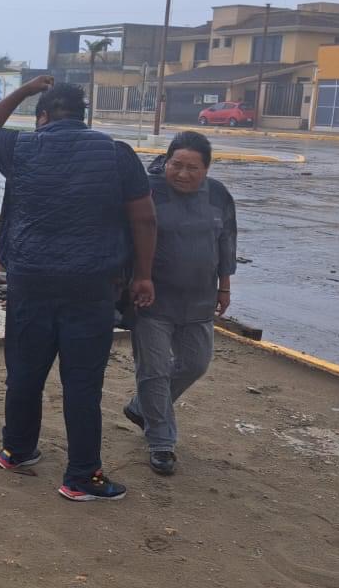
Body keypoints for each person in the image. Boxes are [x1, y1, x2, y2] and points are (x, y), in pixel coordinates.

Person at [0, 78, 157, 501]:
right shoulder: (115, 153)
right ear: (83, 118)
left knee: (23, 373)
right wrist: (143, 275)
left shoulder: (21, 149)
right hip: (89, 286)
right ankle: (81, 476)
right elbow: (144, 219)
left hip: (29, 283)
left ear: (42, 118)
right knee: (82, 383)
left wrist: (22, 90)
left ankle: (15, 451)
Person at [123, 131, 236, 476]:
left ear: (206, 169)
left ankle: (142, 407)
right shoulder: (147, 190)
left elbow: (227, 241)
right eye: (176, 165)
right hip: (153, 298)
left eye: (193, 168)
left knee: (195, 363)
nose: (183, 174)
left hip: (200, 298)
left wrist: (224, 286)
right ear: (166, 161)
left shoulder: (218, 195)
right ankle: (161, 443)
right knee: (154, 371)